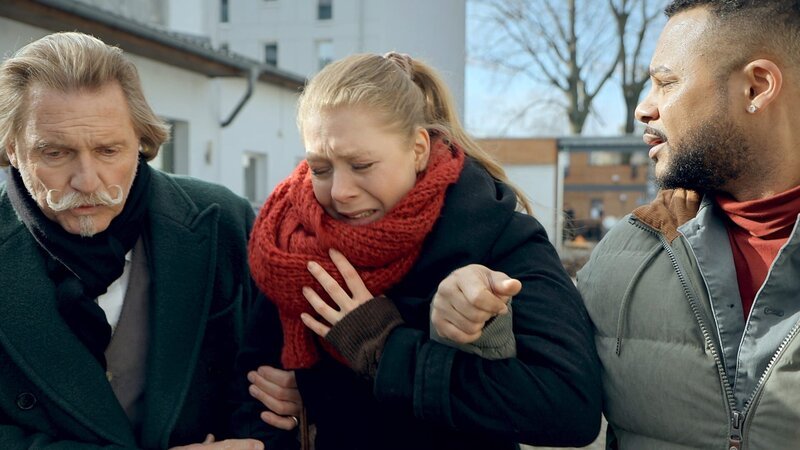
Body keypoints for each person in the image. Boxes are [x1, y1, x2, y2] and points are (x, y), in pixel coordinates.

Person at [232, 52, 601, 450]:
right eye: (320, 169)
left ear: (419, 149)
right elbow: (255, 396)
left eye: (362, 164)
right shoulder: (290, 245)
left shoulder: (498, 236)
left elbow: (568, 407)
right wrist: (304, 406)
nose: (339, 192)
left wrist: (386, 350)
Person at [0, 32, 262, 449]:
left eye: (108, 151)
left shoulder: (224, 221)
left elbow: (267, 377)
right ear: (12, 149)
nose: (86, 181)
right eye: (55, 153)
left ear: (141, 141)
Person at [576, 1, 800, 448]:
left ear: (756, 88)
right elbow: (540, 393)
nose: (644, 109)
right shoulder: (625, 253)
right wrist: (481, 318)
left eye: (665, 83)